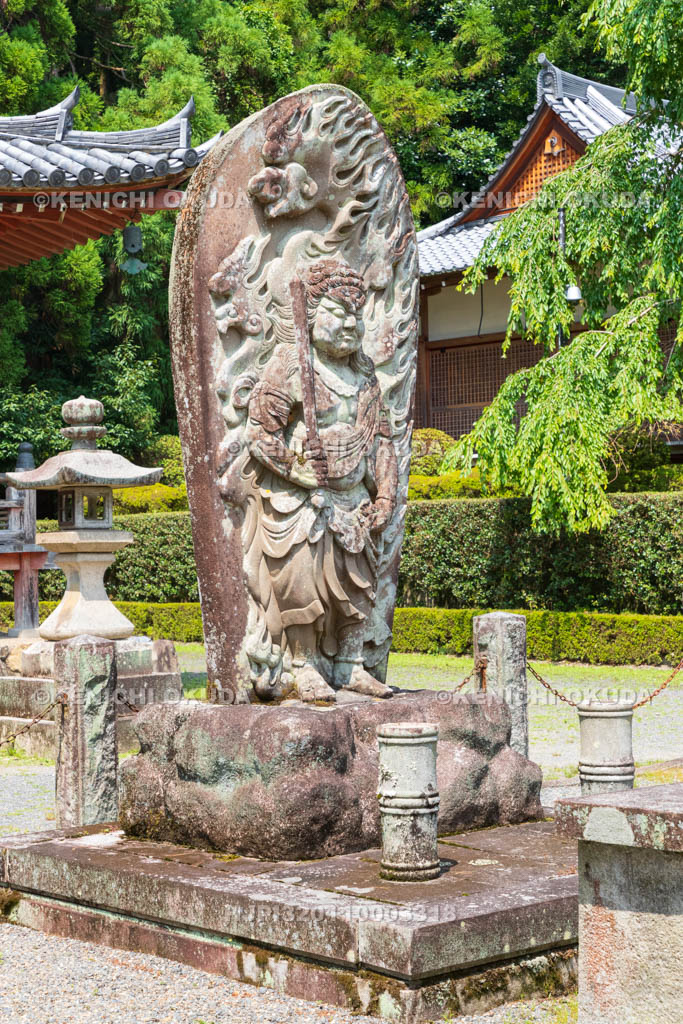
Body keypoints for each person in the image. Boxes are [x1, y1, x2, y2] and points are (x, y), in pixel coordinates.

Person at [243, 260, 398, 701]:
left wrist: (384, 495)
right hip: (305, 498)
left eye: (356, 314)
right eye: (338, 311)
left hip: (354, 496)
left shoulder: (365, 372)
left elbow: (382, 439)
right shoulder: (292, 365)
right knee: (302, 578)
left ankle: (350, 662)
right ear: (310, 314)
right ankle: (303, 664)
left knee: (358, 581)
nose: (350, 324)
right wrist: (296, 469)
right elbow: (259, 432)